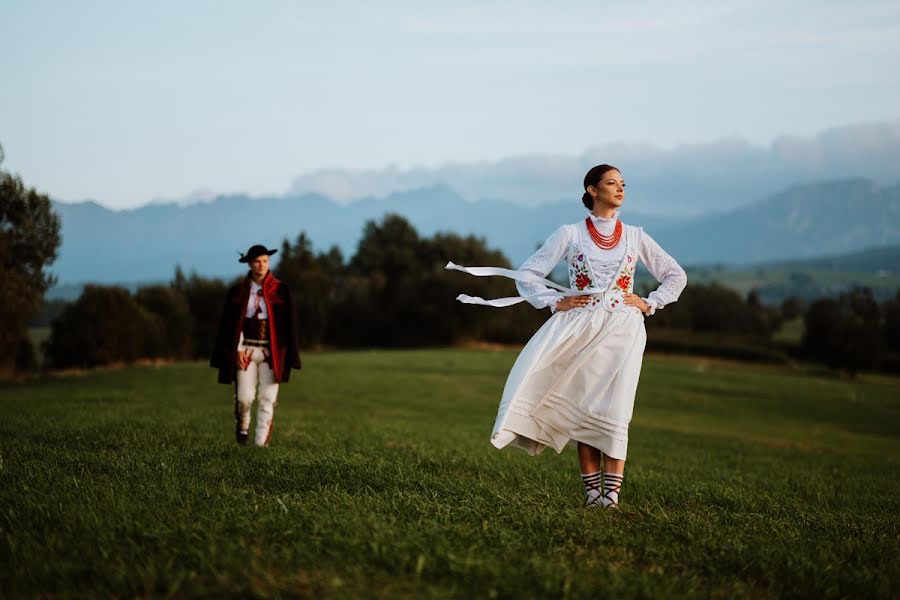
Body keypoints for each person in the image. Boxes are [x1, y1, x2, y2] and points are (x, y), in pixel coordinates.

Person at [447, 164, 687, 508]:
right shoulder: (570, 233)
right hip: (580, 327)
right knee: (584, 406)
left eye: (623, 184)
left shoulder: (635, 235)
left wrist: (649, 303)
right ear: (592, 190)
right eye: (611, 183)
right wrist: (554, 301)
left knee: (618, 408)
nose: (620, 189)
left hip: (624, 328)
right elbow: (528, 274)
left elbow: (675, 275)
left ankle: (612, 497)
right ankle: (592, 495)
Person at [211, 244, 302, 446]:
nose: (262, 265)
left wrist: (289, 354)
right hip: (246, 351)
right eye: (257, 261)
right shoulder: (237, 292)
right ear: (250, 264)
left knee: (267, 399)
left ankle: (260, 445)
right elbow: (230, 325)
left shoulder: (281, 290)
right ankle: (242, 425)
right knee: (244, 398)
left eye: (265, 261)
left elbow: (290, 326)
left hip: (272, 354)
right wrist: (237, 350)